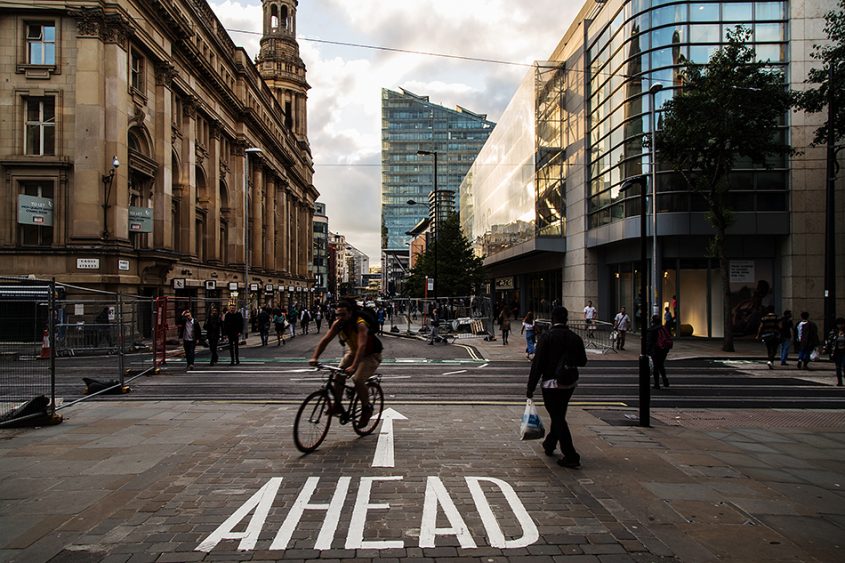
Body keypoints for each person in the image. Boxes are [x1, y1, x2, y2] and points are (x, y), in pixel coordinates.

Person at [526, 306, 587, 469]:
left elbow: (537, 364)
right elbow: (583, 361)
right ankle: (550, 443)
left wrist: (530, 387)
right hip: (569, 383)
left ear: (553, 319)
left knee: (558, 417)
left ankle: (571, 455)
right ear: (566, 319)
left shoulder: (547, 337)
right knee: (559, 413)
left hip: (550, 383)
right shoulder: (574, 338)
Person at [310, 300, 383, 426]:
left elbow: (362, 346)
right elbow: (325, 340)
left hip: (371, 354)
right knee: (338, 375)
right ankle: (337, 405)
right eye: (338, 314)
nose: (340, 318)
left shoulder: (360, 324)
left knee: (358, 379)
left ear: (351, 313)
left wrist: (354, 366)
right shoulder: (338, 323)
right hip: (353, 351)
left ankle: (366, 409)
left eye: (343, 315)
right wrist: (315, 357)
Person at [646, 314, 671, 388]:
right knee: (661, 365)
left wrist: (647, 351)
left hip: (656, 349)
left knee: (655, 367)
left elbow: (650, 342)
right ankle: (665, 380)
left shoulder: (652, 329)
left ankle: (657, 384)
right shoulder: (663, 328)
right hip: (664, 349)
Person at [826, 317, 845, 386]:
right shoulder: (833, 332)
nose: (840, 326)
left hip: (843, 351)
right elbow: (829, 341)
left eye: (842, 324)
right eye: (839, 324)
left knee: (844, 366)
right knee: (838, 367)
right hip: (837, 352)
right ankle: (839, 381)